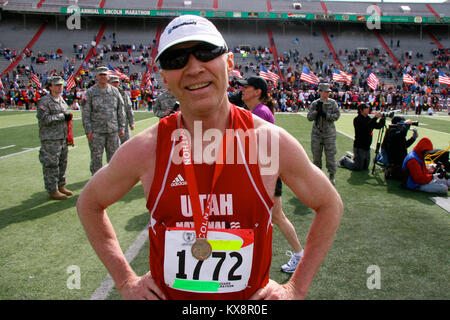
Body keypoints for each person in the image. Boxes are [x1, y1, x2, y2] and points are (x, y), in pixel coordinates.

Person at [76, 15, 343, 300]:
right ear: (165, 78)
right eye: (176, 59)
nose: (193, 68)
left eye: (205, 53)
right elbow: (89, 203)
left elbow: (329, 204)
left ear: (229, 63)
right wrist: (126, 281)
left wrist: (295, 288)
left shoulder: (269, 142)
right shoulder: (146, 148)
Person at [238, 76, 304, 274]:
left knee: (273, 216)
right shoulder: (256, 111)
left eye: (246, 87)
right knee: (271, 216)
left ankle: (298, 255)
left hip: (265, 175)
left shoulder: (260, 113)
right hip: (262, 174)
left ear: (257, 91)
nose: (242, 90)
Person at [81, 66, 125, 175]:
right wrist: (88, 130)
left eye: (104, 75)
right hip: (96, 132)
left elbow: (120, 110)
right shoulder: (90, 93)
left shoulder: (115, 91)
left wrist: (122, 127)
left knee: (114, 158)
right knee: (96, 159)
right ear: (96, 76)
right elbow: (86, 113)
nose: (103, 77)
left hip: (113, 131)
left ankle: (113, 181)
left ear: (108, 76)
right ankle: (97, 183)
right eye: (100, 75)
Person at [36, 76, 73, 200]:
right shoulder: (45, 101)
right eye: (56, 85)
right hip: (50, 139)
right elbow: (44, 119)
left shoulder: (61, 100)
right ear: (50, 87)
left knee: (63, 163)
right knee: (51, 165)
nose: (59, 87)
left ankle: (61, 185)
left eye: (61, 85)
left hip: (62, 137)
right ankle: (52, 189)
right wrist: (62, 116)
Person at [307, 82, 341, 184]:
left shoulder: (332, 103)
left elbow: (337, 116)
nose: (327, 93)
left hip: (329, 133)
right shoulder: (315, 103)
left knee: (330, 155)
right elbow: (309, 117)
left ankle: (331, 175)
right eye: (325, 91)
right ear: (320, 92)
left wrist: (326, 115)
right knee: (316, 155)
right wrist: (316, 112)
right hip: (317, 133)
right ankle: (318, 176)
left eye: (328, 92)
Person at [338, 103, 385, 171]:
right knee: (358, 167)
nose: (368, 109)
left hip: (367, 145)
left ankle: (354, 159)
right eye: (366, 108)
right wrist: (375, 118)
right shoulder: (357, 119)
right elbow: (366, 127)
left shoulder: (368, 118)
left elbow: (378, 126)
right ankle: (344, 160)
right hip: (359, 146)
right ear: (361, 110)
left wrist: (382, 119)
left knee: (365, 167)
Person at [108, 75, 135, 144]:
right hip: (110, 125)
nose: (115, 84)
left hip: (123, 123)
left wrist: (131, 123)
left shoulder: (123, 94)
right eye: (113, 82)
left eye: (117, 82)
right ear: (109, 83)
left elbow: (129, 108)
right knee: (113, 147)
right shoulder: (106, 93)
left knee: (126, 144)